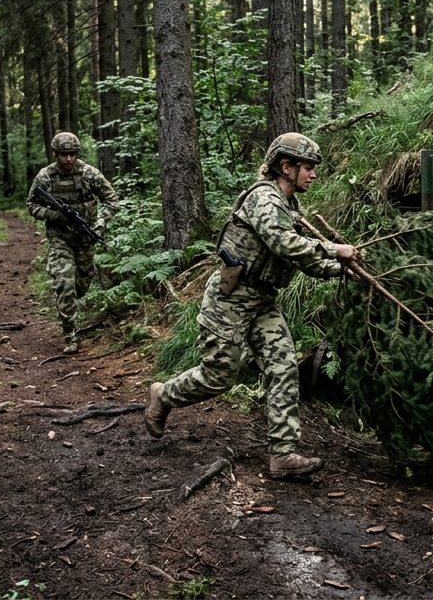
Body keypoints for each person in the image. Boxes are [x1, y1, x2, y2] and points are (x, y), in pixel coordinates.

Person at [143, 133, 358, 480]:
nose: (313, 175)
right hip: (229, 300)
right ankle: (163, 396)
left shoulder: (290, 207)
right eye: (307, 168)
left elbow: (304, 260)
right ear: (285, 167)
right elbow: (283, 242)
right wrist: (336, 250)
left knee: (284, 366)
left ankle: (282, 454)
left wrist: (342, 271)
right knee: (219, 376)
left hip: (261, 300)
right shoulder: (263, 198)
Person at [25, 132, 119, 354]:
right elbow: (31, 204)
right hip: (60, 238)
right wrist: (55, 216)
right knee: (65, 283)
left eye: (72, 154)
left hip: (86, 238)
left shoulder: (88, 173)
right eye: (64, 155)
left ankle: (67, 302)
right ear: (55, 154)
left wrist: (100, 223)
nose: (68, 159)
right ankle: (71, 336)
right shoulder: (45, 177)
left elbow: (111, 200)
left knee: (81, 285)